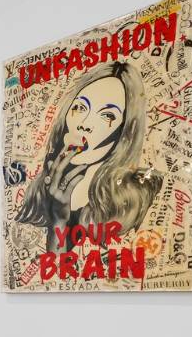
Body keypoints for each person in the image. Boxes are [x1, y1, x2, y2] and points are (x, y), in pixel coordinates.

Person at [15, 61, 162, 255]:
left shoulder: (139, 194)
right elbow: (51, 270)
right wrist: (57, 218)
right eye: (80, 107)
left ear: (125, 131)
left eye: (107, 115)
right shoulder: (41, 188)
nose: (83, 124)